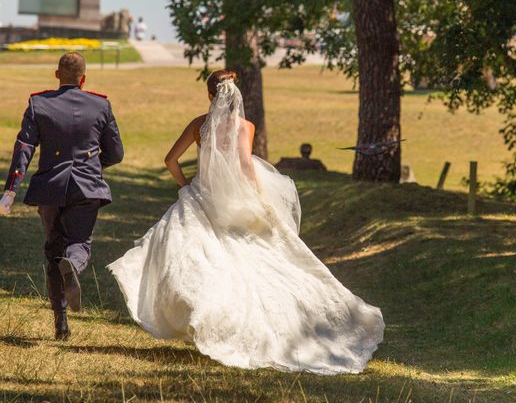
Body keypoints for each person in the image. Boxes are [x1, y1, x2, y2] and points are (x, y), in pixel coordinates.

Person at [108, 70, 384, 375]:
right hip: (236, 201)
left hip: (202, 195)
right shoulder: (245, 127)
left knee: (199, 254)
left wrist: (185, 184)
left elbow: (170, 160)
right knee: (256, 257)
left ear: (210, 95)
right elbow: (244, 165)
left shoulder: (198, 125)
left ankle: (204, 311)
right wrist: (260, 199)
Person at [0, 53, 124, 340]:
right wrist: (91, 166)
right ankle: (74, 263)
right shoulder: (100, 104)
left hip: (50, 189)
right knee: (79, 243)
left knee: (52, 251)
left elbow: (24, 148)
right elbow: (116, 153)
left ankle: (61, 324)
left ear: (57, 75)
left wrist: (10, 191)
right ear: (84, 78)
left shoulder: (38, 103)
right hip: (87, 187)